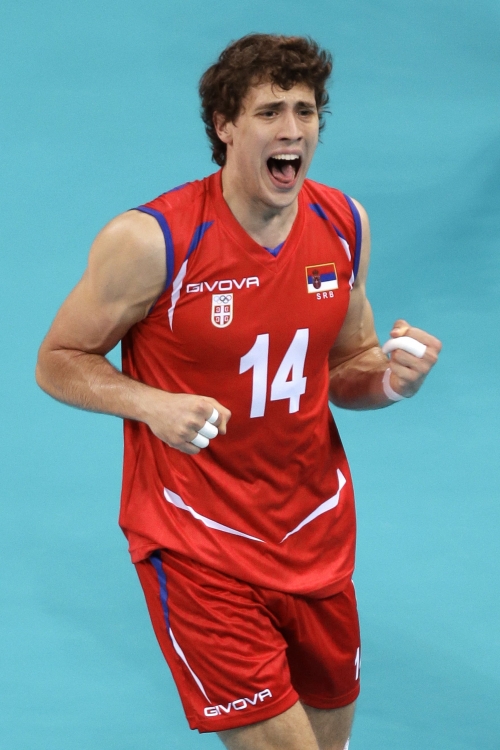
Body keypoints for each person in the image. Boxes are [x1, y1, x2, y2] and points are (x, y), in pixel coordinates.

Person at [36, 34, 441, 750]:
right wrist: (150, 404)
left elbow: (348, 362)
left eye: (305, 111)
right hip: (197, 541)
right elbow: (59, 358)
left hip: (314, 533)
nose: (292, 130)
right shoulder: (154, 240)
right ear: (224, 125)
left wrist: (390, 381)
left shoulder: (343, 224)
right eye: (269, 112)